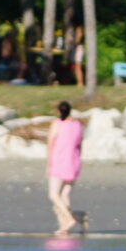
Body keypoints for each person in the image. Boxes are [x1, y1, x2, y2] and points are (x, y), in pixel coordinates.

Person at [45, 100, 86, 234]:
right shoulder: (77, 124)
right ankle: (64, 226)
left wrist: (48, 164)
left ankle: (69, 219)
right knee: (64, 195)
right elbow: (79, 144)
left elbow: (51, 144)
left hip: (59, 162)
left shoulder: (57, 124)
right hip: (73, 162)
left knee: (53, 195)